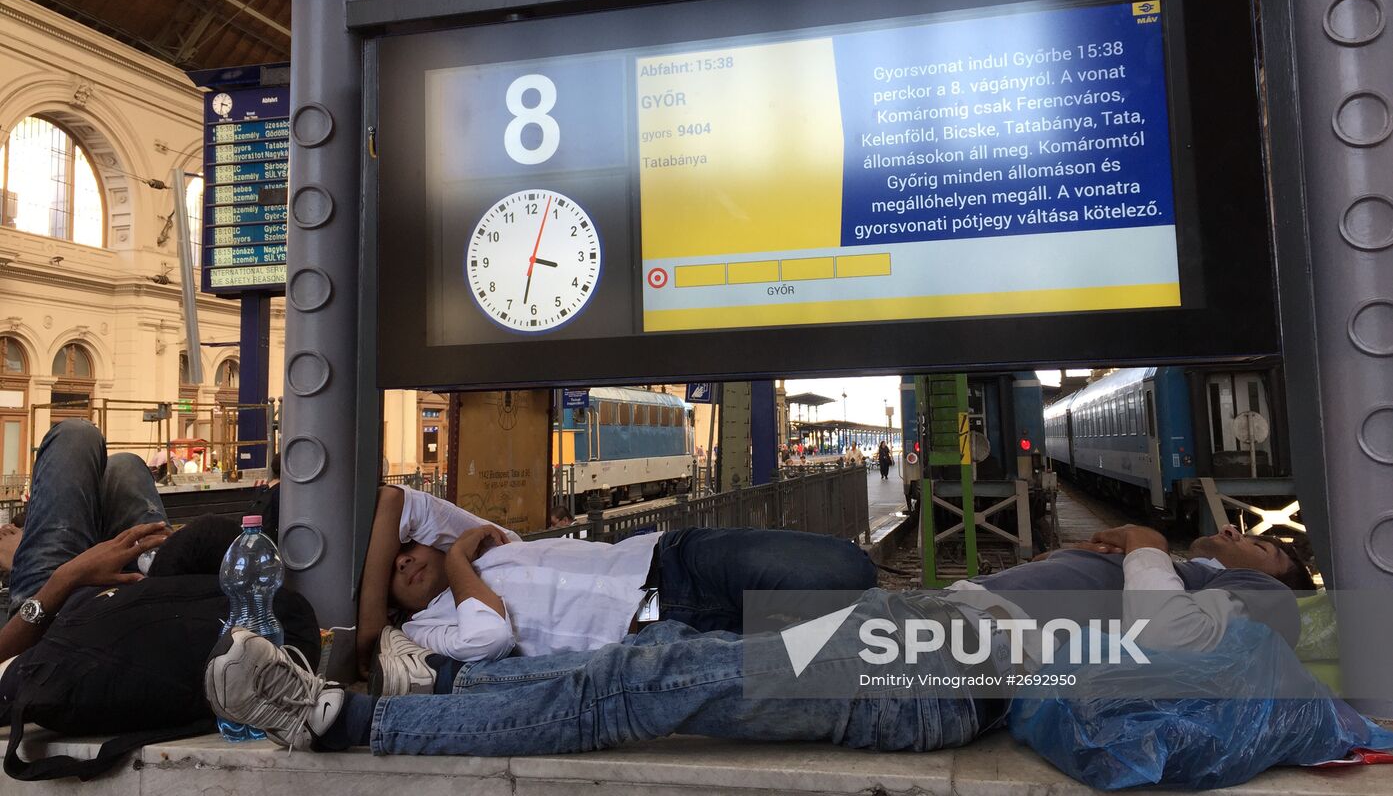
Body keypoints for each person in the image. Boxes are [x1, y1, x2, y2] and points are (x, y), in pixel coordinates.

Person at [207, 519, 1312, 755]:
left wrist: (1153, 548)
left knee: (636, 687)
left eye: (1264, 543)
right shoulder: (1200, 570)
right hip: (917, 640)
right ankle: (431, 691)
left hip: (935, 672)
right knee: (630, 670)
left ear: (1285, 582)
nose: (1240, 534)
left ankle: (349, 722)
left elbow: (1174, 634)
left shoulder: (1245, 601)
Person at [355, 485, 877, 680]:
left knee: (845, 572)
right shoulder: (425, 630)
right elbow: (490, 638)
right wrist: (455, 568)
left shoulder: (480, 542)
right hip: (656, 635)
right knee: (826, 656)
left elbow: (391, 501)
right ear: (391, 604)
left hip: (672, 560)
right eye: (391, 569)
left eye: (406, 549)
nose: (402, 562)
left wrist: (457, 558)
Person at [0, 419, 171, 665]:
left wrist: (64, 577)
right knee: (121, 464)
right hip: (138, 609)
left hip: (57, 620)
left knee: (86, 441)